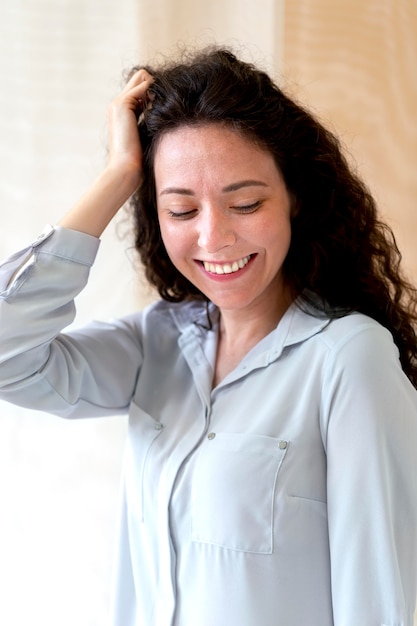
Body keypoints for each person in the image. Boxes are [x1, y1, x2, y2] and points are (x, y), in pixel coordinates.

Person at [0, 46, 416, 626]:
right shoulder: (157, 345)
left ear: (295, 197)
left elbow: (380, 597)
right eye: (181, 209)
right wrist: (119, 173)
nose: (214, 238)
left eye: (245, 202)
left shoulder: (347, 357)